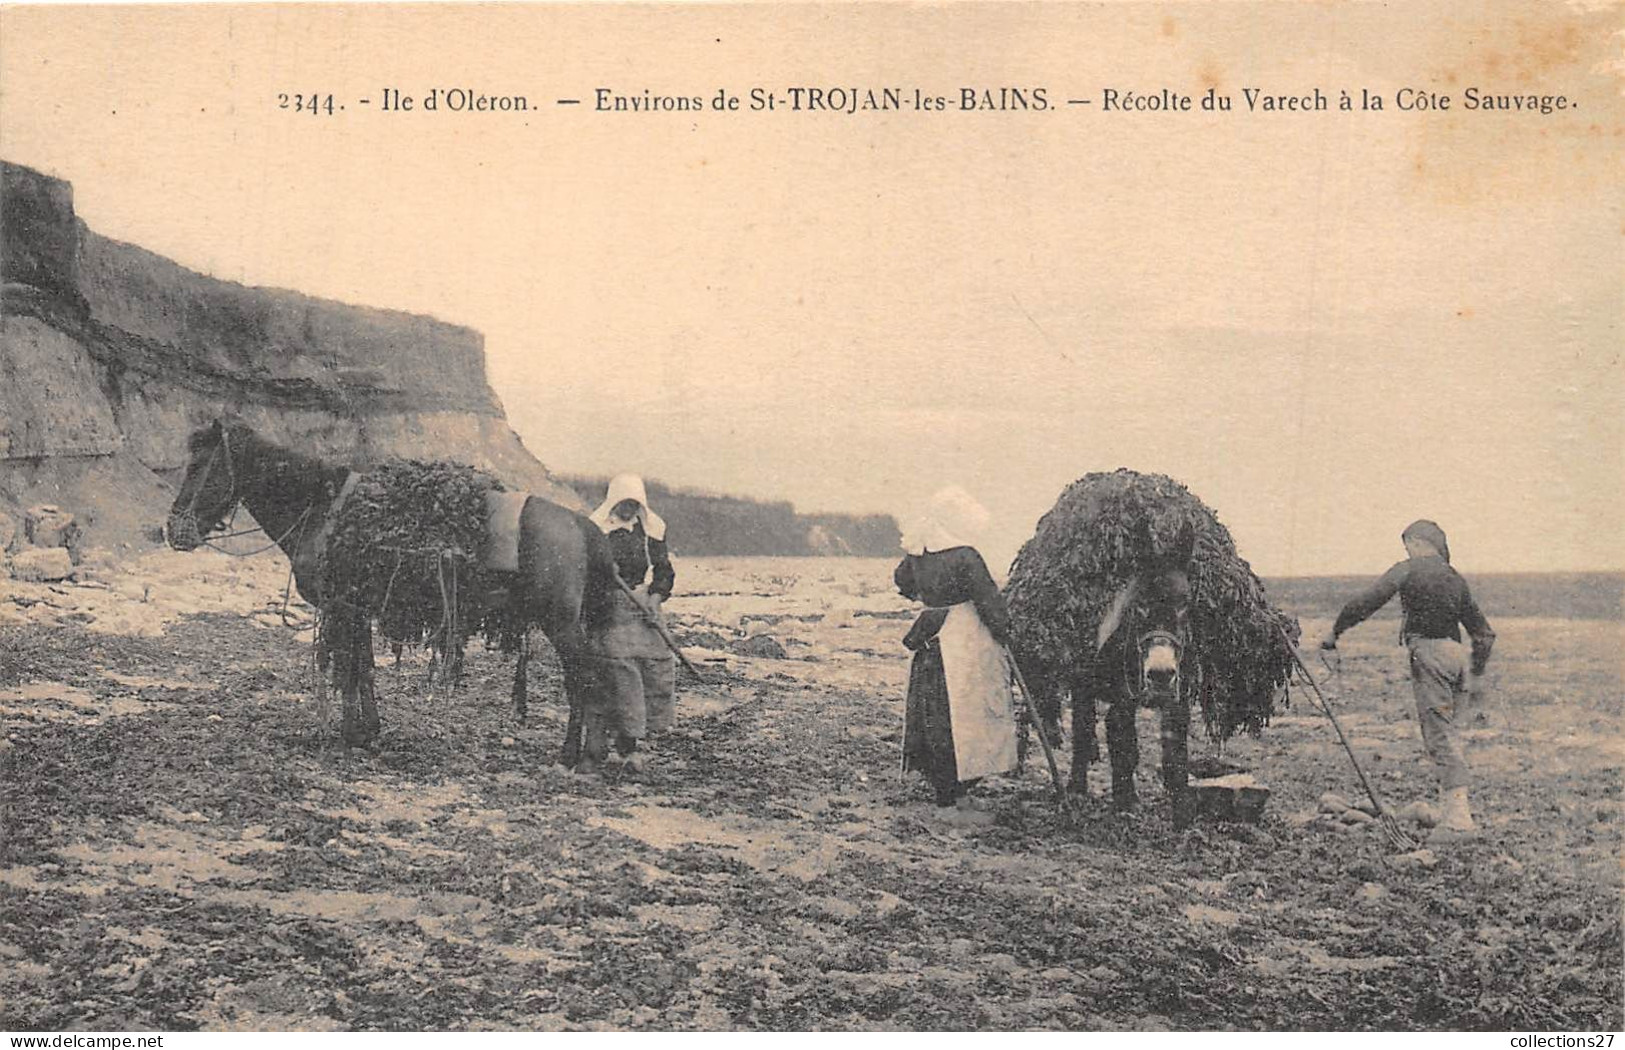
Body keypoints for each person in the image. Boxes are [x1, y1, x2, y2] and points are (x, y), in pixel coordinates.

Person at [1320, 519, 1495, 838]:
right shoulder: (1455, 578)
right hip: (1457, 657)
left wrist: (1335, 630)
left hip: (1429, 655)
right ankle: (1449, 810)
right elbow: (1484, 634)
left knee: (1439, 737)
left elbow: (1367, 601)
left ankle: (1459, 820)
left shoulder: (1408, 569)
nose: (1407, 551)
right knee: (1450, 733)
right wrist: (1477, 673)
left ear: (1416, 542)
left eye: (1407, 545)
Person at [894, 486, 1020, 812]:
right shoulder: (965, 555)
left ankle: (944, 787)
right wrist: (1005, 631)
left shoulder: (918, 553)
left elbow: (902, 582)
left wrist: (930, 600)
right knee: (964, 711)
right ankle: (956, 791)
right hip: (963, 638)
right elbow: (988, 600)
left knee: (934, 711)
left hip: (933, 637)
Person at [578, 474, 677, 775]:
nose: (628, 509)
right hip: (607, 607)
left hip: (642, 605)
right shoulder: (597, 531)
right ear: (613, 502)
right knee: (619, 670)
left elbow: (664, 572)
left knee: (655, 665)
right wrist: (603, 581)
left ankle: (630, 743)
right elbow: (584, 575)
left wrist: (655, 598)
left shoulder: (650, 531)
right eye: (623, 503)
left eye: (634, 504)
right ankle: (604, 744)